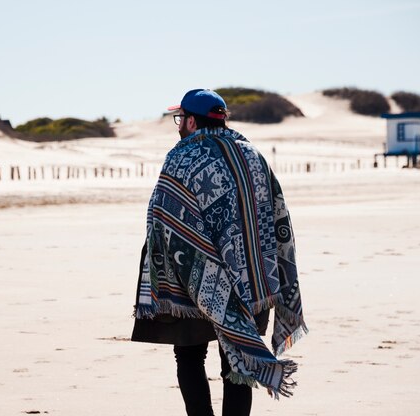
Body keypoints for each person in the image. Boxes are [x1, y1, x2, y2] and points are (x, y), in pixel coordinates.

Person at [131, 89, 307, 416]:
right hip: (251, 279)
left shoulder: (182, 157)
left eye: (181, 118)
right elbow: (278, 215)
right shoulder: (254, 156)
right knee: (237, 362)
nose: (179, 125)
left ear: (193, 120)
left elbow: (162, 219)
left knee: (189, 356)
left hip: (192, 282)